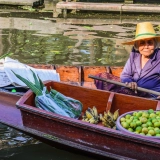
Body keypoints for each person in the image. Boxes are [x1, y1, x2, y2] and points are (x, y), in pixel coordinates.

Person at [95, 22, 160, 99]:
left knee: (126, 93)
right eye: (142, 43)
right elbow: (125, 74)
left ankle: (112, 98)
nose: (146, 46)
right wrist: (130, 82)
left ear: (155, 44)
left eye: (150, 43)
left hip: (149, 95)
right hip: (131, 88)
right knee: (101, 77)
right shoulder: (134, 55)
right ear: (137, 45)